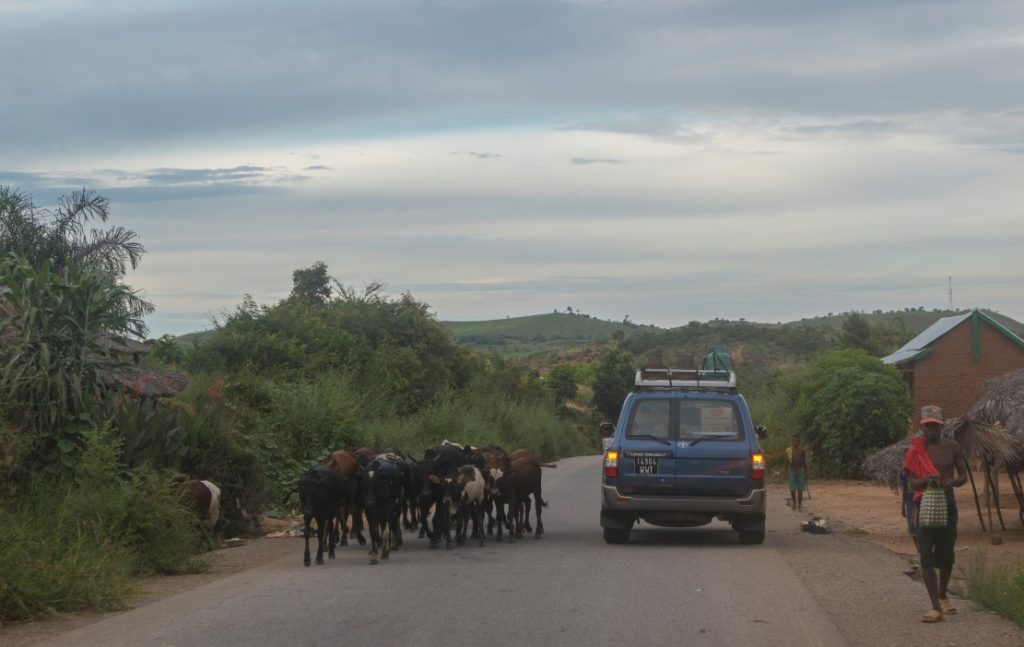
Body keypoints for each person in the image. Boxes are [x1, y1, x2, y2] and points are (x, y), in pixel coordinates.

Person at [902, 405, 968, 623]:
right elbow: (911, 482)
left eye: (934, 426)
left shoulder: (953, 447)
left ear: (941, 426)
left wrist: (953, 482)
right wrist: (927, 481)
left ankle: (942, 593)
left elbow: (963, 475)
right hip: (925, 507)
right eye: (927, 426)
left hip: (948, 506)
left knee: (947, 554)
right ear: (921, 426)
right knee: (926, 556)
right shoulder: (915, 451)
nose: (930, 430)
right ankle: (935, 607)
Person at [785, 437, 807, 510]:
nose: (795, 442)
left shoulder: (802, 451)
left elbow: (804, 462)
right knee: (792, 489)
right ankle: (794, 503)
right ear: (792, 442)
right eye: (794, 441)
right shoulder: (789, 451)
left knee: (800, 489)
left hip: (800, 471)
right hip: (792, 471)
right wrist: (785, 473)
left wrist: (806, 473)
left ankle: (799, 505)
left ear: (799, 442)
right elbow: (787, 462)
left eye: (797, 441)